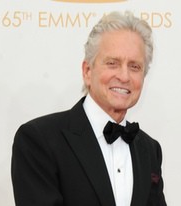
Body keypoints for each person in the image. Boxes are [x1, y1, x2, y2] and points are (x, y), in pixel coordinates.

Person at [11, 11, 167, 206]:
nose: (124, 76)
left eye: (135, 67)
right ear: (87, 71)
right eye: (112, 63)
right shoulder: (40, 140)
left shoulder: (149, 150)